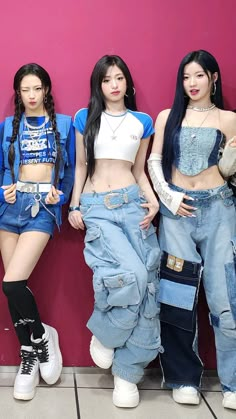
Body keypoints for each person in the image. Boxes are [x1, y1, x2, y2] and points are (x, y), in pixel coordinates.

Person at [68, 55, 161, 408]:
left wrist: (151, 201)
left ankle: (127, 375)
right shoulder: (85, 118)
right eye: (107, 80)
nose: (114, 85)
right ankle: (106, 336)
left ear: (128, 83)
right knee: (129, 275)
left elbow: (139, 172)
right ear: (99, 85)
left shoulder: (143, 122)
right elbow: (80, 165)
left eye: (119, 78)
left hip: (132, 204)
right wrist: (75, 205)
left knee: (148, 285)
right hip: (97, 207)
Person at [148, 49, 236, 410]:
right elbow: (154, 161)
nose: (192, 83)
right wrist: (168, 198)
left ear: (213, 78)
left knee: (226, 296)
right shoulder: (168, 116)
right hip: (177, 214)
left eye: (199, 75)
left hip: (219, 210)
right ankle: (184, 377)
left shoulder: (230, 119)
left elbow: (230, 169)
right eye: (186, 77)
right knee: (177, 296)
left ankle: (231, 383)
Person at [0, 63, 75, 400]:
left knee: (12, 283)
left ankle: (43, 336)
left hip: (41, 210)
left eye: (36, 89)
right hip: (9, 210)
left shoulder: (63, 124)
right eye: (24, 90)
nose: (31, 96)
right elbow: (3, 168)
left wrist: (61, 196)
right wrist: (4, 189)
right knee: (13, 289)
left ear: (46, 89)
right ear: (18, 93)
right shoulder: (7, 126)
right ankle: (30, 352)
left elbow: (71, 169)